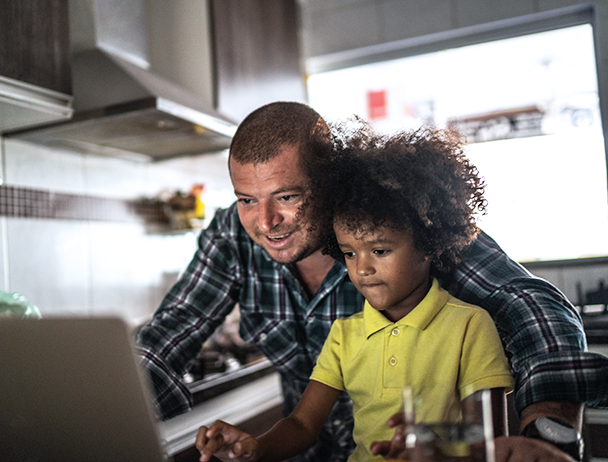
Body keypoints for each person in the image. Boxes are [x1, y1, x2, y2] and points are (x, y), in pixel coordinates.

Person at [136, 102, 608, 462]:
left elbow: (532, 307)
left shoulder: (398, 222)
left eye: (287, 196)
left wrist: (549, 434)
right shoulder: (231, 234)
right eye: (246, 199)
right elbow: (170, 333)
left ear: (329, 179)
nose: (266, 222)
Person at [194, 124, 515, 462]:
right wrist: (256, 447)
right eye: (349, 253)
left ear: (428, 246)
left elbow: (490, 436)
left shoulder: (469, 326)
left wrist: (432, 443)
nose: (362, 269)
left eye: (379, 251)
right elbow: (302, 425)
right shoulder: (345, 336)